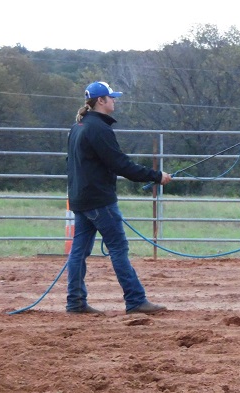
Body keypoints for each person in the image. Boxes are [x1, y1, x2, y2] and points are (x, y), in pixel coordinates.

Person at [66, 81, 172, 315]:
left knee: (79, 251)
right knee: (118, 248)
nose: (115, 100)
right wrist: (157, 176)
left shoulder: (79, 126)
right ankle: (135, 300)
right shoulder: (99, 129)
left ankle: (75, 302)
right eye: (111, 97)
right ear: (101, 101)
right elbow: (121, 164)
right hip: (99, 200)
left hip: (80, 199)